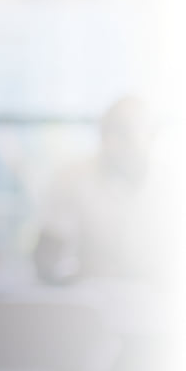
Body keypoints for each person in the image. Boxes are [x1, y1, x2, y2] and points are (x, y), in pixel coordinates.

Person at [33, 95, 158, 283]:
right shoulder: (72, 177)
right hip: (90, 296)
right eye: (108, 131)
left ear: (151, 135)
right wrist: (74, 271)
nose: (113, 141)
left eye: (125, 132)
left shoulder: (173, 182)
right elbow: (46, 257)